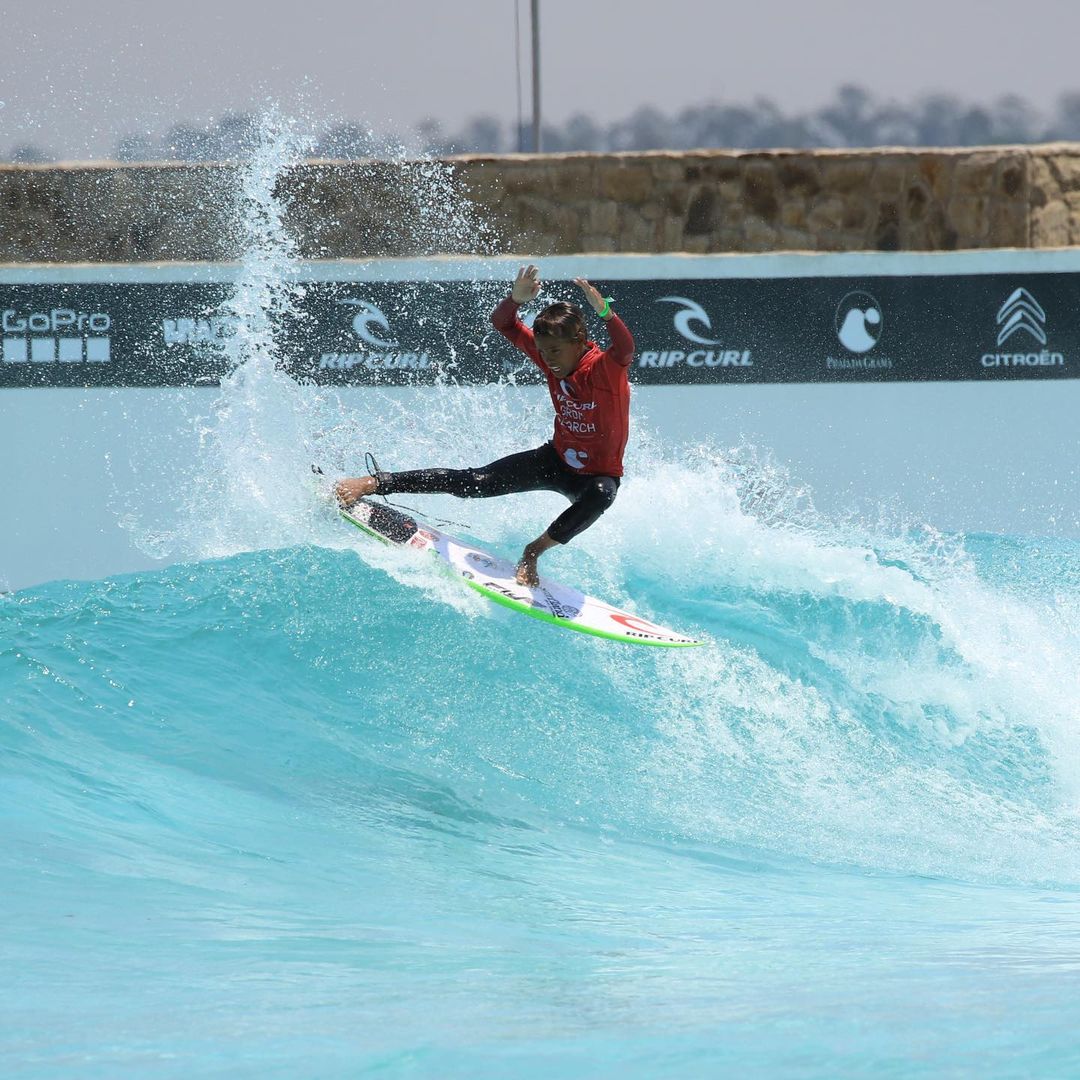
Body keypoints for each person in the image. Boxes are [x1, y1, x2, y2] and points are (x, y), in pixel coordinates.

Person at [335, 264, 635, 586]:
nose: (548, 359)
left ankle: (533, 551)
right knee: (474, 482)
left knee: (602, 494)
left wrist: (605, 311)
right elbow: (504, 323)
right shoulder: (550, 356)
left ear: (579, 342)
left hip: (596, 477)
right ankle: (373, 483)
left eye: (556, 351)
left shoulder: (604, 369)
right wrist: (515, 299)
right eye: (544, 351)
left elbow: (626, 348)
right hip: (554, 461)